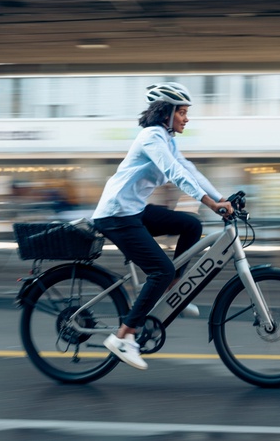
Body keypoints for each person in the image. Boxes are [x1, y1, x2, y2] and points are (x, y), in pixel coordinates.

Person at [92, 82, 233, 370]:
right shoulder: (151, 137)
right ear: (166, 113)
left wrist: (221, 198)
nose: (186, 118)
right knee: (161, 269)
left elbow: (188, 169)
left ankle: (171, 291)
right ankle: (123, 337)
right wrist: (209, 202)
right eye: (181, 112)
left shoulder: (167, 139)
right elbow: (174, 173)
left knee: (190, 226)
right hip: (116, 215)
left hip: (134, 211)